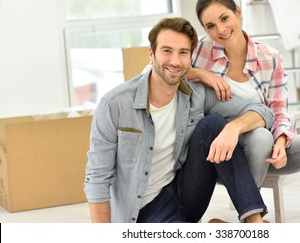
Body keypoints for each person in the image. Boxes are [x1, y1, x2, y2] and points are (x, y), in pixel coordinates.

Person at [187, 0, 300, 223]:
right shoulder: (201, 51)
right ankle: (251, 221)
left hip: (263, 150)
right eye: (210, 26)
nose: (220, 30)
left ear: (238, 13)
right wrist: (201, 74)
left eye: (224, 18)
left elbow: (279, 110)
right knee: (261, 136)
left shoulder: (270, 58)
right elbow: (161, 70)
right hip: (222, 154)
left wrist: (281, 141)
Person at [84, 17, 275, 223]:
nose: (175, 61)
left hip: (185, 193)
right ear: (152, 54)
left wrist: (233, 128)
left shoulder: (197, 95)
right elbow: (97, 179)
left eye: (183, 52)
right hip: (143, 211)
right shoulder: (114, 104)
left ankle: (253, 222)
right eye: (167, 51)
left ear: (190, 57)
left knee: (213, 125)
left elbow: (262, 111)